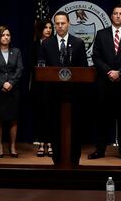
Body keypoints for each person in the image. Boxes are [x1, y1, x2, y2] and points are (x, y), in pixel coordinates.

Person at [37, 11, 88, 165]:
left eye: (62, 23)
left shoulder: (78, 43)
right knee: (55, 129)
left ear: (68, 24)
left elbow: (84, 69)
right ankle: (57, 161)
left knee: (75, 130)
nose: (59, 26)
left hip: (73, 97)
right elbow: (42, 69)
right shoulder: (46, 44)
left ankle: (74, 161)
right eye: (57, 23)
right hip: (53, 95)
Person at [90, 4, 121, 161]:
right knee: (102, 119)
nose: (118, 16)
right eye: (115, 13)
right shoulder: (101, 34)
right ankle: (100, 150)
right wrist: (108, 72)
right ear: (111, 16)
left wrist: (120, 72)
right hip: (104, 84)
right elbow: (96, 56)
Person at [0, 25, 24, 158]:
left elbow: (19, 69)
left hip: (13, 90)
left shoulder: (16, 51)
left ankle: (12, 146)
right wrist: (3, 83)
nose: (6, 37)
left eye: (8, 35)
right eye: (3, 35)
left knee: (13, 119)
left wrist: (11, 83)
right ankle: (0, 146)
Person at [31, 20, 53, 157]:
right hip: (38, 85)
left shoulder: (55, 43)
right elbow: (30, 64)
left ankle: (50, 143)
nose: (48, 30)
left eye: (51, 27)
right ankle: (40, 143)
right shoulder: (34, 45)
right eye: (45, 27)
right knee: (39, 114)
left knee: (50, 115)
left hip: (52, 85)